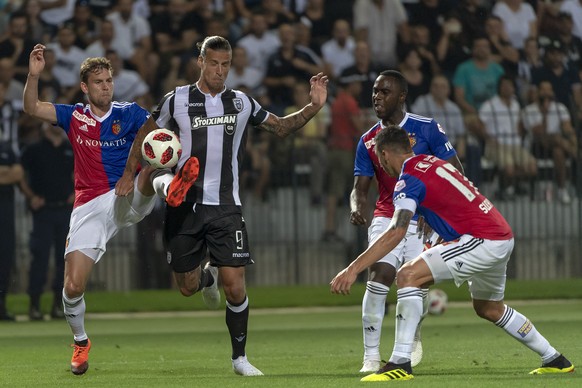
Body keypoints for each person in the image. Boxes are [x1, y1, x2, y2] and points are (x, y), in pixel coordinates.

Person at [116, 35, 328, 376]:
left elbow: (281, 127)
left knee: (236, 284)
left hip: (226, 206)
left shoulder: (242, 102)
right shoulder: (177, 99)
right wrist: (129, 174)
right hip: (184, 206)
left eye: (225, 65)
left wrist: (313, 107)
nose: (219, 71)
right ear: (200, 62)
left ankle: (239, 358)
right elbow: (145, 135)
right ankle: (204, 278)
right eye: (213, 63)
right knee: (186, 288)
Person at [331, 125, 575, 381]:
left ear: (383, 155)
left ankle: (399, 363)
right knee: (490, 308)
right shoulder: (432, 162)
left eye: (381, 161)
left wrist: (352, 269)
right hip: (500, 236)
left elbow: (396, 232)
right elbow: (450, 206)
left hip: (481, 239)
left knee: (407, 275)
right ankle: (555, 359)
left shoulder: (407, 179)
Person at [23, 44, 158, 374]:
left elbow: (155, 132)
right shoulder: (74, 116)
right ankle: (81, 342)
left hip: (126, 192)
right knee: (73, 286)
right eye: (99, 82)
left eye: (109, 80)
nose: (106, 86)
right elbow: (31, 108)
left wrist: (132, 170)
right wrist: (33, 75)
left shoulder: (130, 112)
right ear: (85, 86)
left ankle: (172, 184)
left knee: (153, 170)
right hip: (90, 206)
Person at [351, 70, 464, 373]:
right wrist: (356, 206)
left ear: (401, 96)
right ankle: (371, 356)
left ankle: (412, 335)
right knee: (379, 277)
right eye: (375, 91)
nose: (377, 97)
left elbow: (455, 173)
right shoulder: (366, 140)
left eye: (384, 92)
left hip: (424, 218)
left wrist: (438, 212)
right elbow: (359, 188)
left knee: (413, 283)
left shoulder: (427, 129)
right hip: (387, 215)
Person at [19, 121, 74, 321]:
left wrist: (76, 192)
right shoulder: (34, 149)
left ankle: (58, 305)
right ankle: (34, 304)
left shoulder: (70, 149)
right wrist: (30, 196)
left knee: (65, 259)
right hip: (43, 211)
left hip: (65, 210)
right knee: (40, 258)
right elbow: (20, 174)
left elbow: (80, 174)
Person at [0, 81, 23, 321]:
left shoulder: (7, 147)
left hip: (5, 204)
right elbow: (11, 173)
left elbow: (17, 174)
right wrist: (5, 174)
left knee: (5, 254)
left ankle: (2, 306)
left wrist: (7, 175)